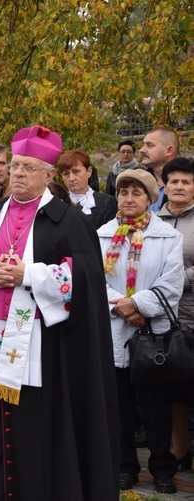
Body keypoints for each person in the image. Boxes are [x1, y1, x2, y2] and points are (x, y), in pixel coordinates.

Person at [0, 125, 118, 500]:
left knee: (37, 427)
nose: (18, 173)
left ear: (49, 174)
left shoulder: (69, 221)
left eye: (28, 167)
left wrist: (32, 275)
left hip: (45, 350)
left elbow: (86, 278)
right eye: (15, 166)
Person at [97, 168, 183, 494]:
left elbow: (171, 283)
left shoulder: (168, 237)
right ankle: (124, 466)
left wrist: (139, 308)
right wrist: (121, 306)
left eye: (136, 193)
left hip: (153, 335)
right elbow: (95, 280)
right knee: (117, 406)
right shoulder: (102, 234)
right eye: (123, 193)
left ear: (149, 198)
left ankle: (163, 468)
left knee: (156, 407)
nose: (128, 199)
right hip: (113, 330)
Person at [157, 157, 194, 471]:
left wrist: (173, 278)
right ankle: (178, 450)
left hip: (193, 314)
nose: (179, 187)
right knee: (173, 390)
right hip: (163, 320)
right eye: (174, 182)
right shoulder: (152, 220)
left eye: (186, 182)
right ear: (164, 186)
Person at [56, 149, 117, 229]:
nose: (71, 178)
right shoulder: (57, 204)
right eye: (66, 174)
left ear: (89, 171)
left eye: (76, 172)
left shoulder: (107, 202)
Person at [140, 127, 179, 212]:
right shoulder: (139, 181)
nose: (142, 150)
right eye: (143, 145)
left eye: (149, 145)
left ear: (169, 150)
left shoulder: (188, 185)